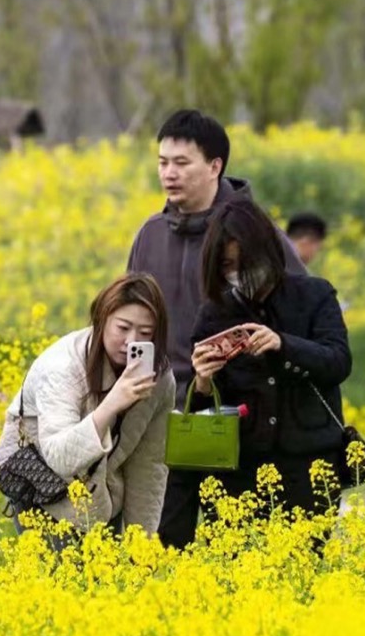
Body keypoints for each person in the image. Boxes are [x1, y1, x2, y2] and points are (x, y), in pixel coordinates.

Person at [127, 109, 305, 544]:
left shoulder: (257, 235)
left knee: (244, 540)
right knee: (168, 538)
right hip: (172, 409)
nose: (169, 173)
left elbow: (300, 313)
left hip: (245, 413)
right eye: (162, 162)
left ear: (215, 166)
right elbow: (130, 319)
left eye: (181, 163)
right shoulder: (149, 235)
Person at [178, 199, 352, 548]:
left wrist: (283, 345)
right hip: (239, 472)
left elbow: (338, 362)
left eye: (245, 263)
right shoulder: (215, 313)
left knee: (305, 566)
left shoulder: (314, 295)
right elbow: (201, 407)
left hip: (308, 465)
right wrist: (203, 380)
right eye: (227, 265)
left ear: (268, 253)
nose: (237, 273)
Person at [0, 274, 176, 536]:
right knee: (51, 576)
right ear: (102, 320)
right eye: (123, 328)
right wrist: (112, 403)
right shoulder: (63, 366)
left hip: (102, 497)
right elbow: (59, 457)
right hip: (45, 492)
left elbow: (148, 465)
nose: (131, 341)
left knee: (103, 575)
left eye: (145, 333)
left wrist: (141, 545)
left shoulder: (159, 379)